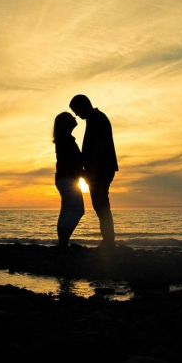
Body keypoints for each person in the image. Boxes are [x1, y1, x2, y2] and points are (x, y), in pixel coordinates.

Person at [69, 95, 118, 249]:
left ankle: (109, 242)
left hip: (100, 170)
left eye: (76, 110)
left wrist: (91, 170)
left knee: (101, 204)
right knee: (100, 204)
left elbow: (98, 148)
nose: (76, 115)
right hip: (100, 169)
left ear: (84, 105)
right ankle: (108, 241)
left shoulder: (97, 119)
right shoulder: (95, 119)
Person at [53, 112, 85, 248]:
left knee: (66, 209)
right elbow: (73, 162)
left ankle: (63, 243)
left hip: (64, 179)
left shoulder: (64, 139)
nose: (75, 117)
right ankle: (64, 240)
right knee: (78, 210)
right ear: (66, 123)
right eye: (71, 117)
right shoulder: (66, 140)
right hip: (68, 179)